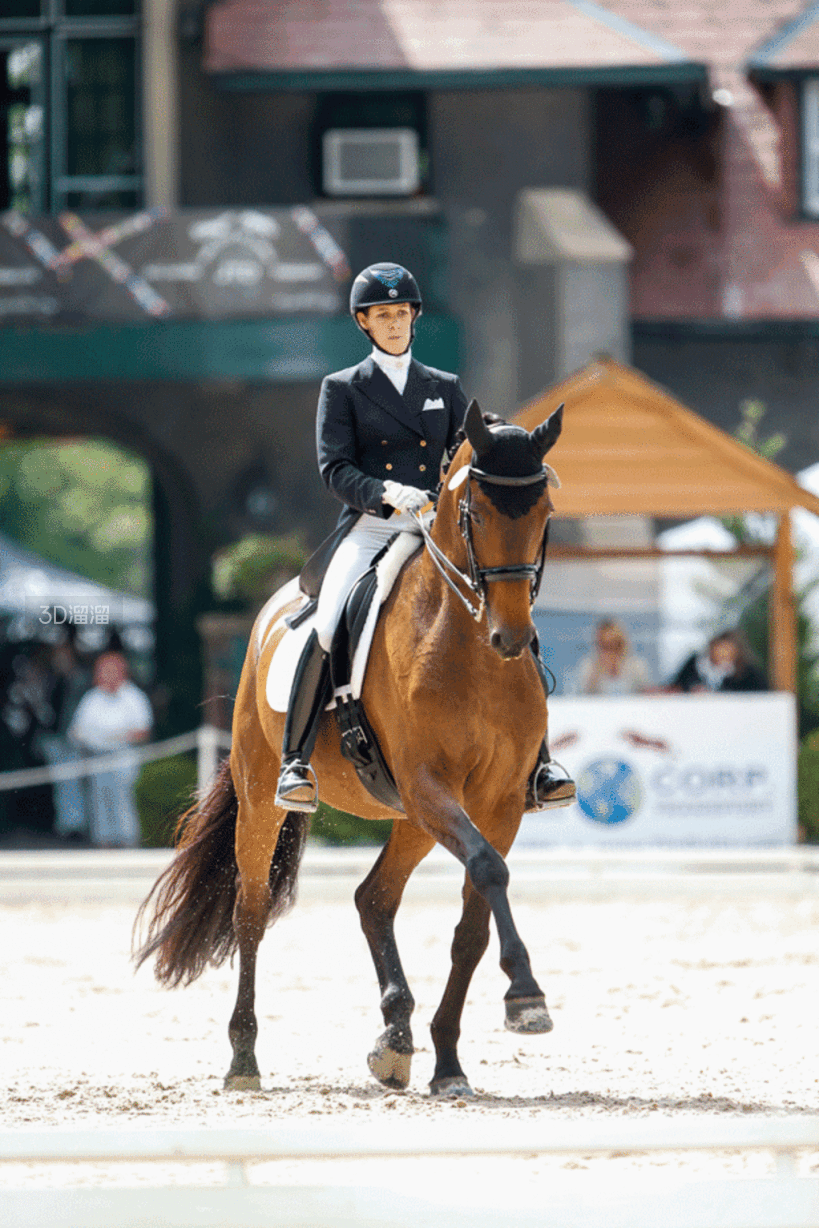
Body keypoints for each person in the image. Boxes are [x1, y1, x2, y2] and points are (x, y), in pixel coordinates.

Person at [275, 261, 575, 814]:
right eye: (382, 315)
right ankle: (295, 761)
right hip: (372, 527)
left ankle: (540, 763)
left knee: (507, 614)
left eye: (401, 313)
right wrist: (387, 492)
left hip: (436, 530)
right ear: (365, 324)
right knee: (326, 619)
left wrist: (514, 450)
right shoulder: (342, 388)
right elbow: (333, 468)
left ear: (415, 317)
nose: (394, 324)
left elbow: (473, 446)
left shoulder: (444, 386)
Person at [68, 650, 152, 847]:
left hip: (123, 757)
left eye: (110, 670)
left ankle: (128, 845)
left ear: (122, 672)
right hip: (97, 756)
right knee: (99, 801)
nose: (106, 675)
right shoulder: (92, 698)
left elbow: (143, 730)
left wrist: (118, 737)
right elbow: (77, 728)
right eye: (102, 670)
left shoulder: (134, 697)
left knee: (123, 800)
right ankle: (103, 845)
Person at [668, 628, 768, 693]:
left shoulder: (748, 673)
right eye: (719, 649)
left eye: (727, 650)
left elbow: (761, 696)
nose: (722, 655)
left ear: (737, 653)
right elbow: (677, 687)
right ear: (712, 647)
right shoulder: (694, 664)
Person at [570, 618, 651, 696]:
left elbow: (647, 694)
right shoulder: (589, 667)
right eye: (605, 646)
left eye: (614, 646)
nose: (610, 652)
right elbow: (581, 696)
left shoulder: (637, 666)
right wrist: (597, 673)